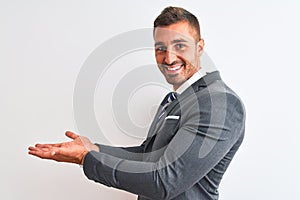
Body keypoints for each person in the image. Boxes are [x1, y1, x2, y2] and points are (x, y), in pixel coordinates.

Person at [28, 6, 245, 200]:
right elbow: (146, 156)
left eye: (180, 45)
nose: (168, 59)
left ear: (199, 47)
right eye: (161, 48)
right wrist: (93, 148)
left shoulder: (220, 103)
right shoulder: (173, 100)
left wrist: (87, 159)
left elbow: (165, 181)